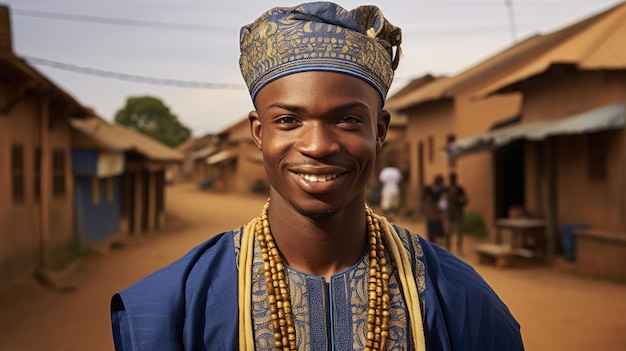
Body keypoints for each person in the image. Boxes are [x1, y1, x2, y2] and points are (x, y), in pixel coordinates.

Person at [110, 3, 524, 350]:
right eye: (288, 120)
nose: (319, 145)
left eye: (346, 120)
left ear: (379, 131)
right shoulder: (179, 304)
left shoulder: (455, 296)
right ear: (259, 133)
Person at [444, 172, 469, 254]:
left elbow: (465, 201)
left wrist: (458, 200)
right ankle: (448, 249)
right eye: (451, 178)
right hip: (449, 213)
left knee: (459, 233)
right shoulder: (446, 189)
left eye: (453, 178)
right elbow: (442, 202)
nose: (452, 180)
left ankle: (459, 249)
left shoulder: (459, 189)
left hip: (458, 213)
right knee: (448, 233)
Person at [421, 174, 447, 246]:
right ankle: (432, 245)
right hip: (431, 213)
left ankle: (438, 246)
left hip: (438, 214)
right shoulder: (428, 189)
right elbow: (424, 199)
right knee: (431, 232)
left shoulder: (443, 190)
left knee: (439, 233)